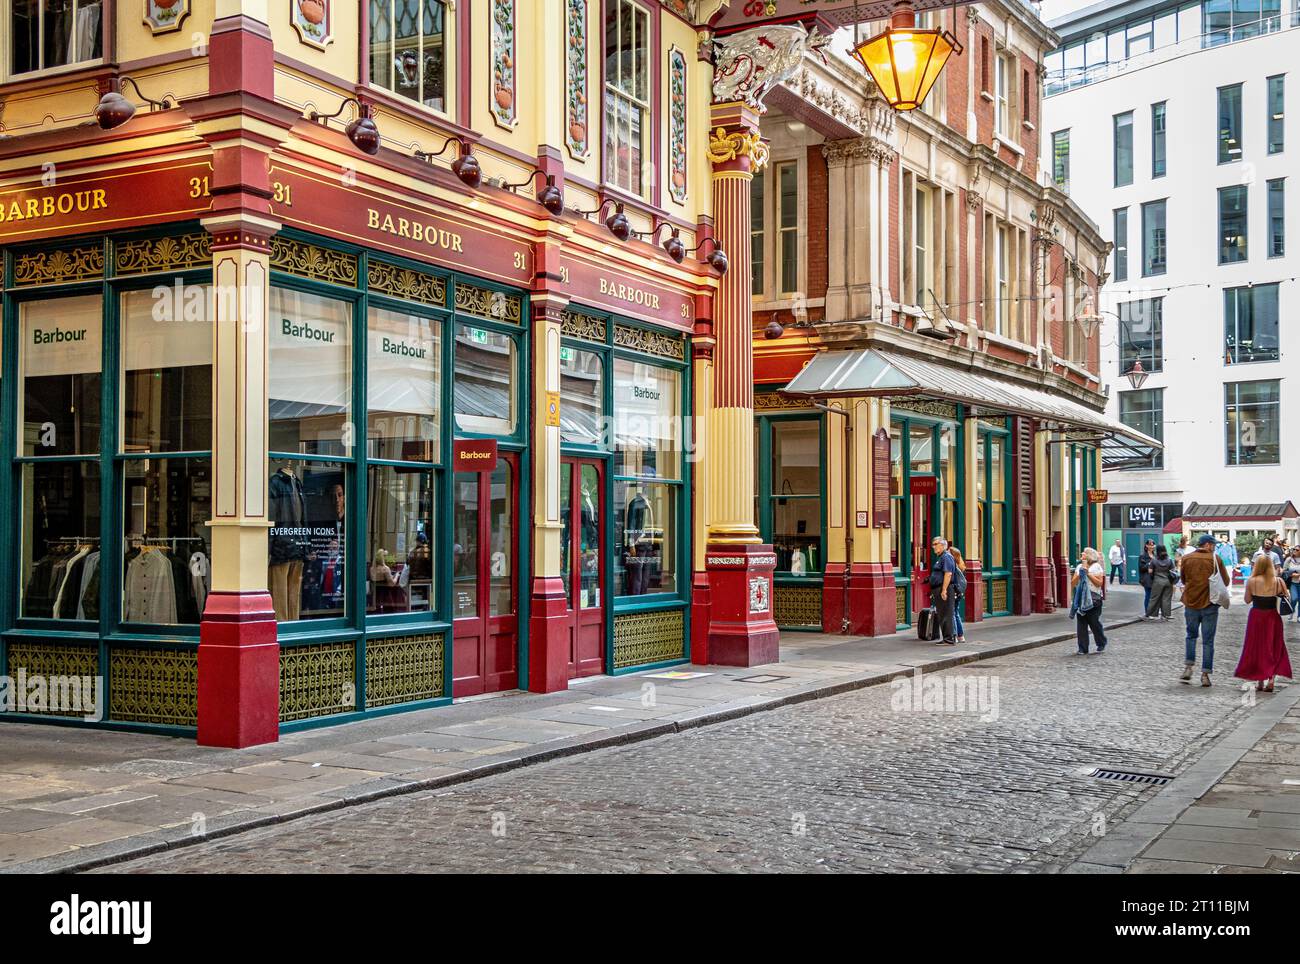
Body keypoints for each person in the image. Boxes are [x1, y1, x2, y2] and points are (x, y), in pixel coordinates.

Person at [1234, 553, 1294, 692]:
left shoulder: (1252, 581)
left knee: (1256, 647)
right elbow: (1287, 598)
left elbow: (1247, 600)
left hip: (1256, 616)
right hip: (1272, 617)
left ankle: (1260, 680)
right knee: (1273, 645)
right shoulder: (1278, 581)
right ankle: (1271, 679)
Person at [1179, 534, 1231, 687]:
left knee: (1191, 636)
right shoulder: (1215, 559)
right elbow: (1226, 581)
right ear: (1208, 545)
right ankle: (1205, 675)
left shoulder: (1187, 558)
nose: (1214, 546)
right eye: (1213, 544)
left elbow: (1183, 579)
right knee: (1208, 641)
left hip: (1191, 602)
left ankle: (1188, 667)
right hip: (1210, 604)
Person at [1070, 547, 1107, 654]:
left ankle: (1101, 642)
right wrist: (1079, 575)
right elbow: (1073, 583)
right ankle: (1082, 648)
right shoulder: (1079, 567)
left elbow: (1099, 583)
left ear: (1089, 556)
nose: (1082, 554)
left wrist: (1088, 574)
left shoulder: (1097, 567)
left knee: (1094, 622)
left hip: (1094, 599)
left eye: (1084, 553)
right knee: (1081, 624)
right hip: (1081, 598)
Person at [928, 536, 957, 646]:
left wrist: (944, 590)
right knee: (942, 614)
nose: (933, 547)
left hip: (944, 589)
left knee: (946, 614)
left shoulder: (946, 557)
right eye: (933, 544)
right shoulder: (941, 557)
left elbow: (948, 574)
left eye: (936, 544)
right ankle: (946, 638)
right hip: (939, 589)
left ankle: (949, 639)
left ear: (943, 545)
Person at [1145, 545, 1176, 620]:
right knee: (1166, 598)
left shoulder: (1154, 560)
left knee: (1154, 598)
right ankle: (1166, 615)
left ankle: (1151, 614)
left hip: (1157, 581)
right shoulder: (1169, 560)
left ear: (1157, 551)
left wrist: (1153, 575)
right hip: (1168, 581)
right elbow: (1173, 571)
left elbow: (1150, 571)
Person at [950, 545, 969, 644]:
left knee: (952, 613)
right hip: (959, 593)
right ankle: (961, 636)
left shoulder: (953, 566)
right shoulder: (962, 566)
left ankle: (954, 636)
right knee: (956, 613)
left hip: (953, 592)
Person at [1138, 539, 1157, 614]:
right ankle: (1147, 612)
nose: (1152, 546)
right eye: (1150, 544)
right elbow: (1141, 568)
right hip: (1147, 578)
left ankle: (1153, 611)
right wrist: (1150, 563)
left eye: (1153, 545)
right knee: (1148, 595)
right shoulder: (1142, 556)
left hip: (1155, 578)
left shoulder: (1155, 555)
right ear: (1146, 546)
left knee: (1154, 597)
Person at [1284, 547, 1300, 623]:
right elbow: (1284, 571)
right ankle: (1291, 611)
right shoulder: (1289, 559)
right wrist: (1291, 574)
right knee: (1294, 598)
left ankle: (1299, 616)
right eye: (1294, 549)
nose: (1294, 551)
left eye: (1297, 550)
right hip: (1293, 582)